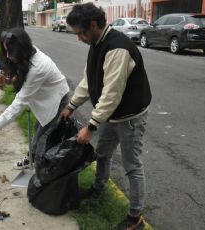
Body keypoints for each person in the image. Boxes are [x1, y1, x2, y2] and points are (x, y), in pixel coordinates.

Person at [60, 3, 152, 230]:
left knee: (132, 166)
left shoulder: (117, 48)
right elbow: (88, 81)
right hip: (112, 115)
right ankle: (98, 189)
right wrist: (72, 105)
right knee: (102, 153)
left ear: (93, 25)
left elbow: (111, 94)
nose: (79, 38)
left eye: (81, 32)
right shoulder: (96, 43)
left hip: (130, 116)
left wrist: (90, 126)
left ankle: (135, 218)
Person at [0, 28, 70, 169]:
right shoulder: (28, 54)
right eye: (7, 51)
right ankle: (33, 159)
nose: (9, 56)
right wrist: (7, 81)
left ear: (21, 50)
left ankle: (41, 172)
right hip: (44, 95)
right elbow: (22, 75)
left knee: (43, 136)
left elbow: (19, 103)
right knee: (39, 130)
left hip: (56, 99)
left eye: (11, 53)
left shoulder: (39, 66)